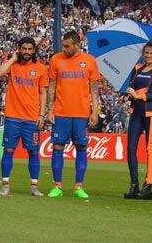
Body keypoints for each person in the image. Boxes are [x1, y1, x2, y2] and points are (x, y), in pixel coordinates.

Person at [46, 30, 101, 199]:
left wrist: (94, 112)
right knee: (57, 147)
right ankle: (57, 186)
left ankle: (78, 186)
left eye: (67, 46)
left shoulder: (89, 61)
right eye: (63, 45)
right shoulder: (56, 59)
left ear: (77, 45)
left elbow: (94, 89)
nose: (64, 49)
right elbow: (52, 86)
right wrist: (50, 110)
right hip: (61, 112)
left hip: (81, 113)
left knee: (81, 148)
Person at [0, 37, 48, 196]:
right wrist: (12, 59)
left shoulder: (40, 68)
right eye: (23, 48)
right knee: (9, 149)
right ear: (19, 49)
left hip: (32, 118)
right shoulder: (13, 65)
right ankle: (5, 184)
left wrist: (41, 114)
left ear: (34, 50)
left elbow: (43, 92)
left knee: (33, 152)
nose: (26, 52)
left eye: (30, 49)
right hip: (13, 116)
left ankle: (34, 186)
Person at [123, 42, 152, 200]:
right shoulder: (137, 69)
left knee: (150, 148)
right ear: (144, 53)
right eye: (147, 53)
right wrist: (128, 94)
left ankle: (148, 186)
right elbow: (130, 87)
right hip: (136, 112)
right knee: (130, 148)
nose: (149, 56)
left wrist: (140, 95)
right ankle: (134, 185)